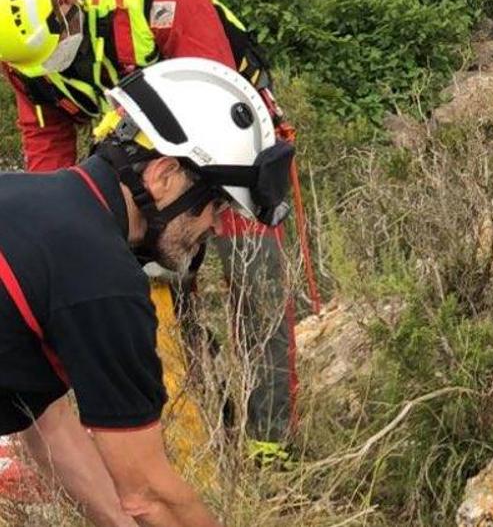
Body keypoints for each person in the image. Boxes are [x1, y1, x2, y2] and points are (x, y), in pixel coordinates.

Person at [0, 0, 298, 455]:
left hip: (229, 136)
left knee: (255, 276)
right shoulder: (19, 49)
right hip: (143, 162)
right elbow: (46, 138)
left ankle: (271, 441)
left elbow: (210, 86)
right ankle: (193, 435)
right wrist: (66, 231)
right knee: (152, 293)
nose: (49, 65)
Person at [0, 57, 295, 527]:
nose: (216, 224)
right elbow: (149, 494)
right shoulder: (102, 281)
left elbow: (47, 423)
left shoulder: (34, 210)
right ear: (163, 176)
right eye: (215, 202)